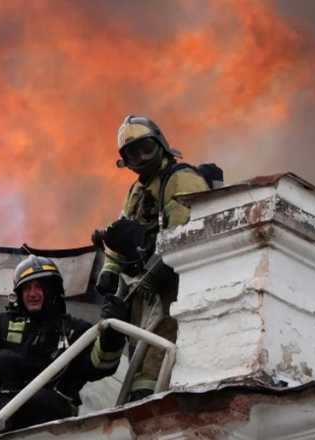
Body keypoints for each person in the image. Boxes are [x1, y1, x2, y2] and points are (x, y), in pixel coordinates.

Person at [0, 255, 129, 440]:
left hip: (50, 409)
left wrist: (112, 336)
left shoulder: (74, 330)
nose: (33, 293)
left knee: (35, 402)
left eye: (39, 287)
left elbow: (101, 365)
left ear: (53, 290)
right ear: (19, 294)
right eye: (27, 288)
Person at [94, 115, 209, 402]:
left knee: (158, 349)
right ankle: (139, 400)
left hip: (171, 284)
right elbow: (123, 232)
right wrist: (110, 267)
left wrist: (144, 244)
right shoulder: (136, 190)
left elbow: (186, 235)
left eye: (146, 148)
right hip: (143, 288)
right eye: (133, 154)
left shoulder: (181, 178)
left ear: (161, 145)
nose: (142, 157)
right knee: (139, 351)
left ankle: (148, 401)